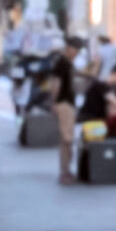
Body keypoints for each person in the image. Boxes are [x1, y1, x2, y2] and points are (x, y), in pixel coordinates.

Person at [49, 35, 84, 184]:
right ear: (70, 49)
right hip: (64, 103)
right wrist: (54, 101)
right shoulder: (62, 63)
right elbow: (56, 84)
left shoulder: (67, 63)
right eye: (76, 51)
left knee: (67, 139)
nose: (77, 54)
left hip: (68, 102)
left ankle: (66, 170)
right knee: (66, 139)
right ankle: (65, 172)